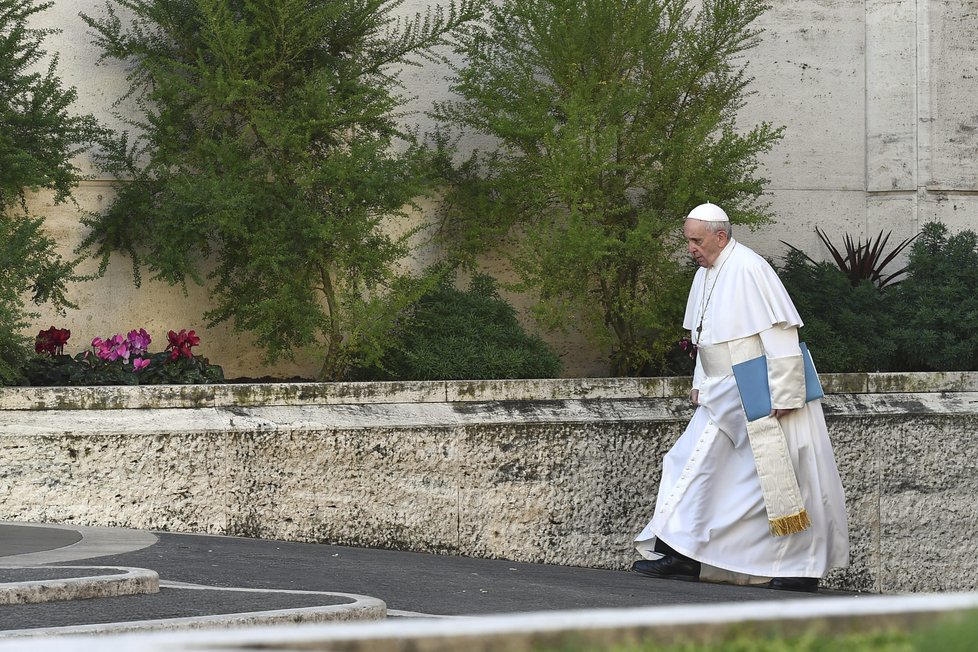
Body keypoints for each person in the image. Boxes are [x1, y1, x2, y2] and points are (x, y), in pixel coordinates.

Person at [632, 202, 849, 592]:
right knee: (691, 466)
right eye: (688, 241)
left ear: (720, 236)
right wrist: (699, 382)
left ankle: (797, 569)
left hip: (759, 391)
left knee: (784, 481)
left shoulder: (750, 268)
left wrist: (785, 395)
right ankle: (688, 555)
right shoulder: (706, 273)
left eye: (697, 241)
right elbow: (704, 338)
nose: (690, 249)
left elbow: (781, 336)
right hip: (720, 392)